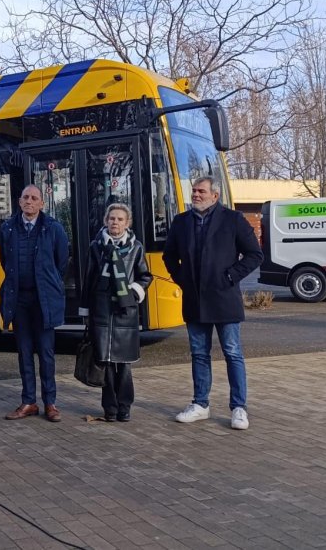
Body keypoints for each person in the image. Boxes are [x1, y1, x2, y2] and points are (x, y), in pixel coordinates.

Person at [163, 176, 263, 430]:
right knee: (198, 353)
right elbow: (169, 256)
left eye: (201, 191)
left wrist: (230, 276)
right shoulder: (181, 222)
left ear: (214, 196)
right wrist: (183, 279)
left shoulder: (233, 220)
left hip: (224, 298)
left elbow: (254, 254)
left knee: (232, 352)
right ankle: (200, 404)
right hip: (195, 300)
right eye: (194, 191)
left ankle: (239, 408)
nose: (195, 195)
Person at [0, 185, 69, 422]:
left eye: (34, 198)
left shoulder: (53, 229)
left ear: (42, 204)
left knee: (46, 353)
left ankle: (50, 403)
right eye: (25, 197)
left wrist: (48, 284)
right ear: (19, 202)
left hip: (44, 300)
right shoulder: (7, 228)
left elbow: (61, 263)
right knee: (24, 352)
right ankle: (29, 402)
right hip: (19, 300)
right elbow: (4, 261)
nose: (29, 201)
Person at [82, 202, 154, 422]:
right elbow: (89, 278)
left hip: (125, 313)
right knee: (105, 362)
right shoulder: (96, 247)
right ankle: (109, 409)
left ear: (127, 223)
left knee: (123, 364)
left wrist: (132, 293)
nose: (115, 222)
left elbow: (145, 276)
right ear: (106, 221)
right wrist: (86, 310)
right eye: (112, 218)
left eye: (120, 219)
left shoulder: (136, 247)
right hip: (102, 311)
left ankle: (125, 407)